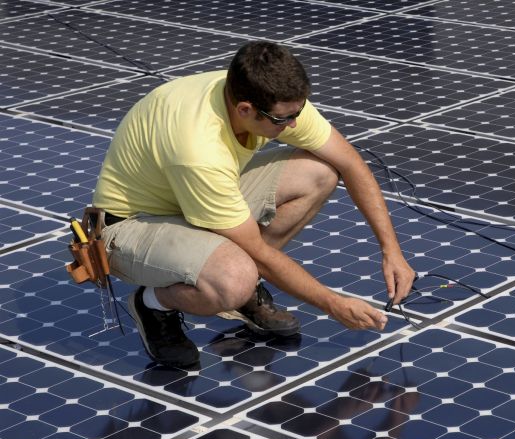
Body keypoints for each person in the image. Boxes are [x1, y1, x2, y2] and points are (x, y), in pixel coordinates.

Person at [92, 41, 415, 368]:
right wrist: (333, 304)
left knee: (320, 172)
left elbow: (350, 163)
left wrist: (392, 250)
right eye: (282, 120)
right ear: (245, 109)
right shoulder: (199, 149)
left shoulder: (268, 95)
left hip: (191, 201)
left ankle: (238, 286)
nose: (292, 125)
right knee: (236, 277)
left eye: (298, 114)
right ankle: (152, 304)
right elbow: (259, 252)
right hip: (131, 225)